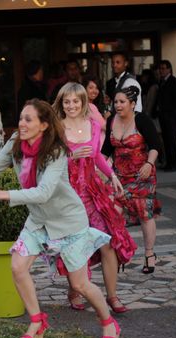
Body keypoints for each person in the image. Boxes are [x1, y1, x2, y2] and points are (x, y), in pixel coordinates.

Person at [0, 99, 121, 338]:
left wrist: (3, 195)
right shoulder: (15, 145)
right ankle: (37, 321)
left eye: (28, 119)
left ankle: (108, 322)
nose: (22, 123)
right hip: (38, 221)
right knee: (18, 267)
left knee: (79, 284)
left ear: (44, 125)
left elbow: (43, 192)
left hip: (68, 222)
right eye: (21, 118)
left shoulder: (56, 151)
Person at [53, 82, 137, 313]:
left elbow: (97, 156)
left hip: (92, 192)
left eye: (75, 101)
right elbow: (48, 160)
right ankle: (75, 289)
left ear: (84, 102)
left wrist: (112, 176)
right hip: (68, 194)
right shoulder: (56, 127)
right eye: (66, 101)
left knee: (107, 242)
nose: (71, 106)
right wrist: (70, 155)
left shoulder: (92, 124)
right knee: (75, 246)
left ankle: (112, 296)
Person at [102, 86, 163, 274]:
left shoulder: (142, 120)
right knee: (112, 213)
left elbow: (155, 145)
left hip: (142, 175)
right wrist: (100, 168)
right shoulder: (111, 120)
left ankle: (149, 254)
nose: (118, 105)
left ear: (132, 104)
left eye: (122, 102)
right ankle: (120, 251)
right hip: (119, 177)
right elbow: (106, 150)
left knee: (144, 213)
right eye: (116, 102)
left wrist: (149, 164)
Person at [156, 60, 176, 171]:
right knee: (166, 141)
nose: (161, 71)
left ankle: (174, 164)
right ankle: (169, 163)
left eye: (163, 68)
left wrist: (174, 115)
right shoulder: (161, 82)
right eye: (160, 69)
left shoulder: (174, 82)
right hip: (163, 116)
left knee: (172, 140)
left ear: (169, 69)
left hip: (170, 117)